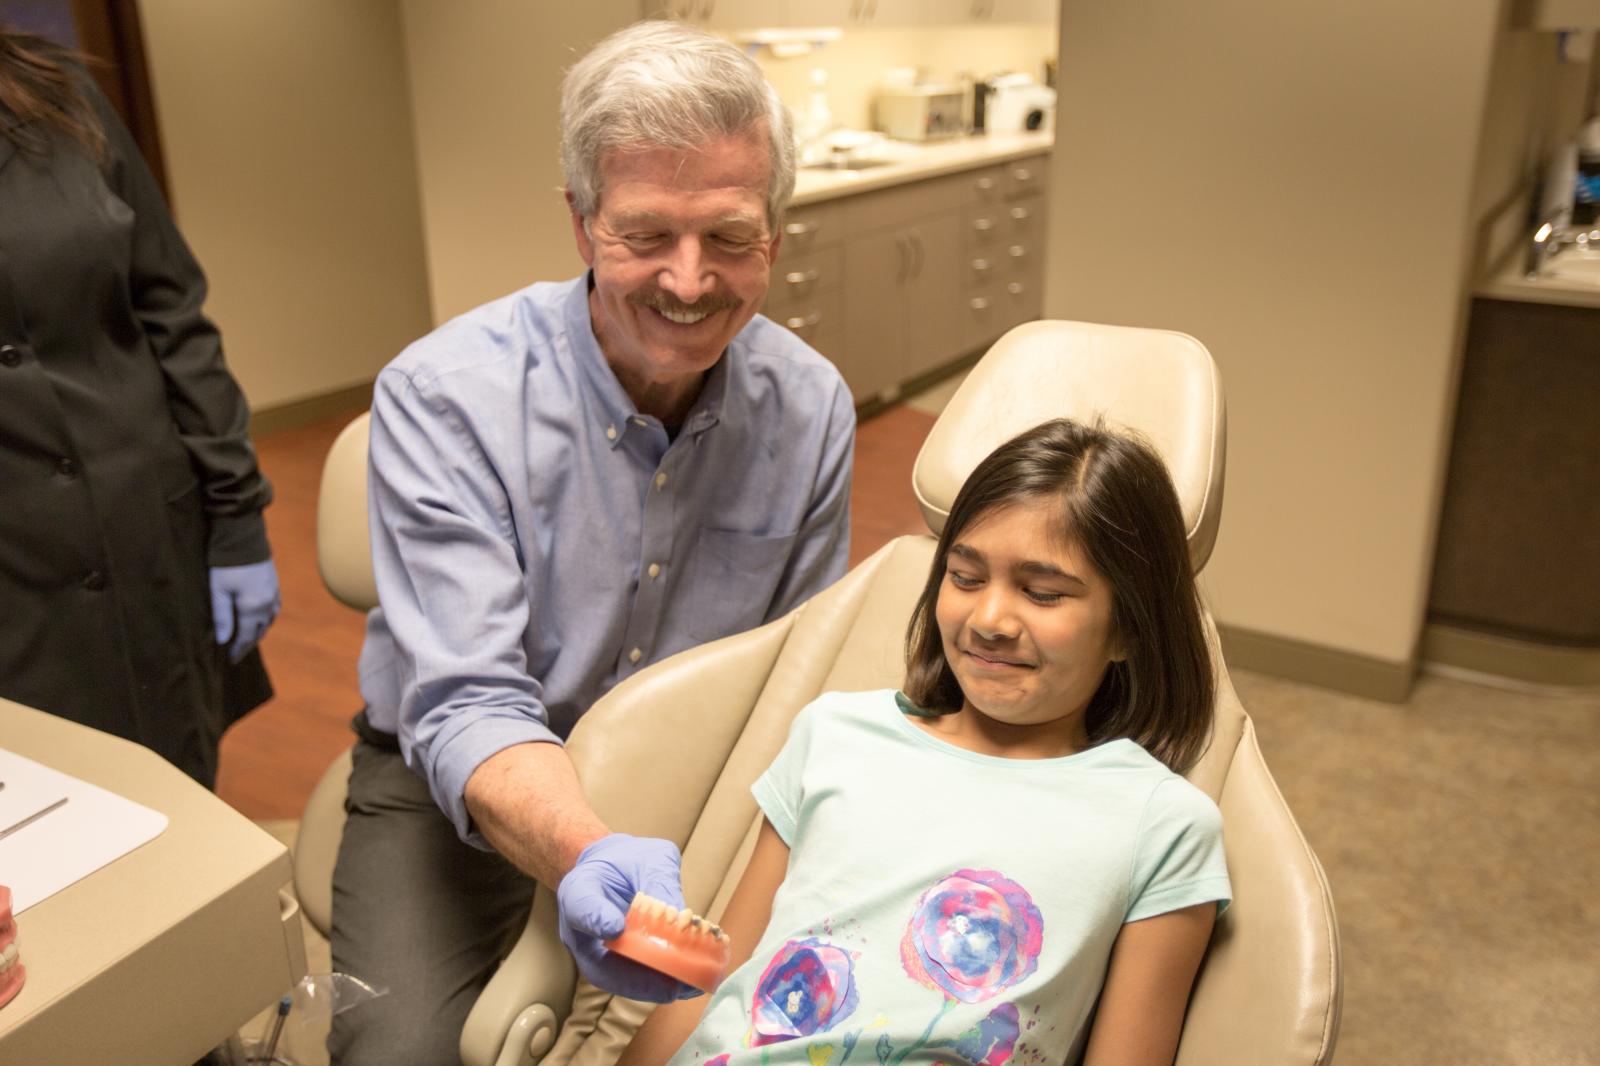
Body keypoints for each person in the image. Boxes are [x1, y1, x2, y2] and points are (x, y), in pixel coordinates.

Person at [328, 20, 856, 1065]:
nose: (691, 281)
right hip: (455, 787)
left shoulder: (811, 410)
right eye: (646, 234)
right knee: (399, 1052)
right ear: (580, 223)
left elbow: (796, 688)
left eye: (731, 236)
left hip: (692, 786)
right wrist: (581, 844)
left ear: (778, 233)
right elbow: (469, 699)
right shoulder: (446, 397)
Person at [620, 418, 1230, 1066]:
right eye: (965, 578)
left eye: (1043, 593)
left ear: (1128, 630)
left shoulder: (1160, 826)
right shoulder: (836, 734)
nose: (988, 619)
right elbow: (713, 967)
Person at [0, 28, 279, 788]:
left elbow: (172, 313)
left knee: (178, 784)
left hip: (143, 535)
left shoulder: (60, 96)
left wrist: (238, 517)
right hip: (14, 585)